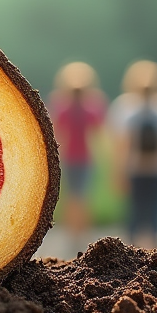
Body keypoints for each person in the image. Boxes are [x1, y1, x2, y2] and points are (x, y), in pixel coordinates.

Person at [108, 60, 157, 250]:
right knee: (147, 219)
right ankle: (150, 255)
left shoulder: (126, 108)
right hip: (150, 171)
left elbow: (121, 147)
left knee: (142, 219)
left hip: (142, 171)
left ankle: (140, 257)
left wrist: (118, 173)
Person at [48, 62, 107, 250]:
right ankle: (74, 234)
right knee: (76, 197)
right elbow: (57, 132)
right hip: (72, 159)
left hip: (81, 159)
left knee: (79, 197)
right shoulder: (66, 108)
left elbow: (97, 132)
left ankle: (79, 233)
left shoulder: (86, 108)